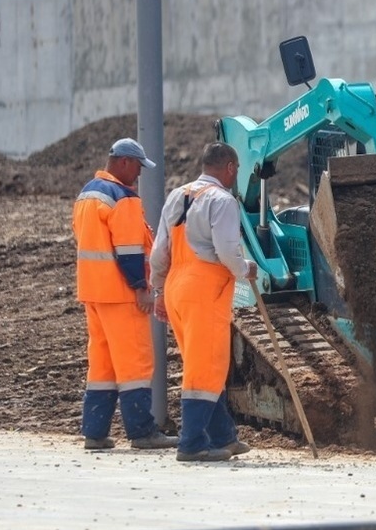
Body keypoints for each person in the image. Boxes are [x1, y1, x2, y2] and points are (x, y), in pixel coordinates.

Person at [150, 142, 258, 462]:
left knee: (201, 362)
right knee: (207, 367)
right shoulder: (222, 200)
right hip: (204, 289)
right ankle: (192, 443)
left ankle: (224, 436)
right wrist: (244, 269)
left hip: (177, 288)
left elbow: (159, 251)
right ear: (229, 168)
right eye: (236, 170)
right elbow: (226, 249)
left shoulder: (177, 195)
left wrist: (159, 291)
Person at [72, 137, 178, 450]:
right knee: (136, 363)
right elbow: (130, 252)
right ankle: (143, 432)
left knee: (102, 365)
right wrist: (142, 289)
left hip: (93, 292)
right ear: (124, 163)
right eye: (138, 167)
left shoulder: (86, 195)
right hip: (121, 295)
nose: (140, 175)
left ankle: (95, 433)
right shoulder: (123, 198)